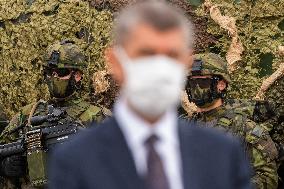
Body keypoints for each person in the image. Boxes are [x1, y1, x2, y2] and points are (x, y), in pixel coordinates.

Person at [49, 2, 252, 189]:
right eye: (145, 53)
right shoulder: (75, 160)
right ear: (116, 61)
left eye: (171, 55)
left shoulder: (224, 153)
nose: (159, 67)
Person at [0, 40, 105, 188]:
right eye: (50, 72)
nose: (54, 77)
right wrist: (5, 167)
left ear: (78, 75)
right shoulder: (28, 115)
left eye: (61, 72)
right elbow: (4, 146)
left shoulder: (97, 117)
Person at [183, 52, 278, 189]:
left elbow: (268, 178)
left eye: (203, 82)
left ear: (221, 84)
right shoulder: (183, 128)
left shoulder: (245, 128)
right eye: (191, 83)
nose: (196, 88)